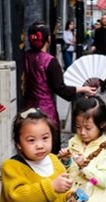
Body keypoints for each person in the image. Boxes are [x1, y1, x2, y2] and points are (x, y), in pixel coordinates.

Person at [24, 22, 96, 154]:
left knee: (31, 149)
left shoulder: (24, 57)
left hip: (27, 111)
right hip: (47, 113)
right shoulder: (50, 61)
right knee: (50, 151)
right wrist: (82, 89)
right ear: (49, 39)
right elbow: (61, 89)